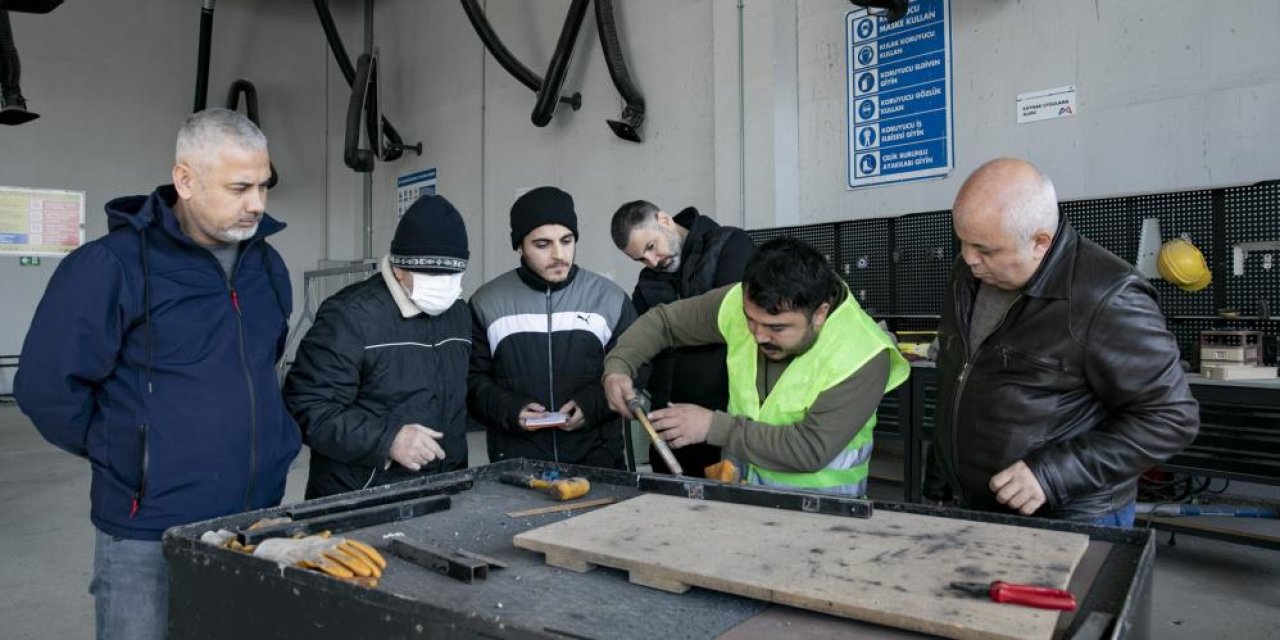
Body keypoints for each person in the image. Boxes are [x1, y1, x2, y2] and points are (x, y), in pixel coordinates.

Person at [14, 108, 298, 640]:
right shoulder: (112, 266)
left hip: (255, 517)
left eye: (263, 185)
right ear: (185, 180)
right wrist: (129, 454)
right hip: (150, 527)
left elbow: (264, 362)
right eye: (239, 187)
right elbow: (46, 388)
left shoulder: (267, 267)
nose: (257, 203)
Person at [923, 158, 1200, 526]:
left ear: (1040, 242)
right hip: (974, 506)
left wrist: (1053, 474)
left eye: (985, 250)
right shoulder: (966, 275)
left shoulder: (1105, 296)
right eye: (964, 241)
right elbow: (960, 378)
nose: (969, 258)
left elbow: (1171, 417)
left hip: (1068, 516)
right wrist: (942, 482)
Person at [603, 237, 910, 496]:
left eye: (777, 328)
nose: (759, 335)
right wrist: (619, 365)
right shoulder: (742, 302)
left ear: (820, 314)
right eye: (752, 320)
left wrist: (713, 426)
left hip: (823, 516)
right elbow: (665, 321)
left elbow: (811, 448)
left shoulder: (862, 355)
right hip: (742, 497)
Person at [284, 194, 472, 499]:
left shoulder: (459, 314)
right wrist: (388, 441)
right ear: (398, 267)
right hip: (360, 497)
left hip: (443, 491)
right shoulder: (350, 316)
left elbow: (464, 392)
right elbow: (308, 406)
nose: (443, 284)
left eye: (452, 274)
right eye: (430, 273)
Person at [468, 186, 637, 469]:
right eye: (543, 244)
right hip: (516, 466)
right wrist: (511, 410)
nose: (559, 254)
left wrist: (591, 404)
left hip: (599, 463)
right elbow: (470, 381)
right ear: (520, 245)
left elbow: (637, 368)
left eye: (567, 240)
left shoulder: (610, 299)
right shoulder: (486, 302)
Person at [609, 200, 755, 477]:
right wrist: (628, 383)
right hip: (668, 427)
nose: (652, 262)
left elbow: (736, 326)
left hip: (723, 420)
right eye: (640, 258)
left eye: (651, 247)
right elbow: (642, 347)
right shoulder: (648, 283)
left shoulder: (731, 246)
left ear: (664, 220)